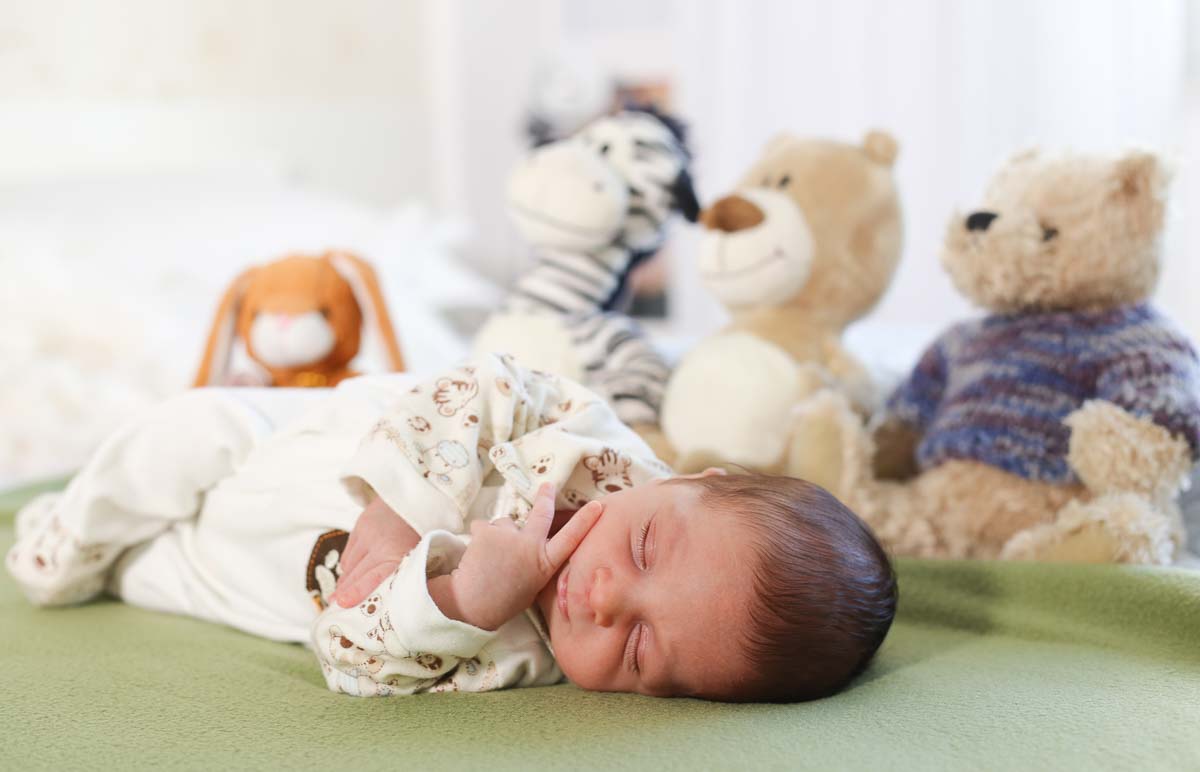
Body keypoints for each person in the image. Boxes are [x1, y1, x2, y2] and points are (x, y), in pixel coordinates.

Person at [6, 354, 896, 702]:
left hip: (230, 578)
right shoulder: (590, 447)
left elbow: (352, 657)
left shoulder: (513, 657)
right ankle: (60, 532)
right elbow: (484, 384)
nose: (606, 595)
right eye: (646, 546)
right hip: (274, 451)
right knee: (184, 430)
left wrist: (464, 597)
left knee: (147, 573)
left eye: (636, 653)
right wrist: (397, 525)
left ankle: (106, 556)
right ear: (697, 480)